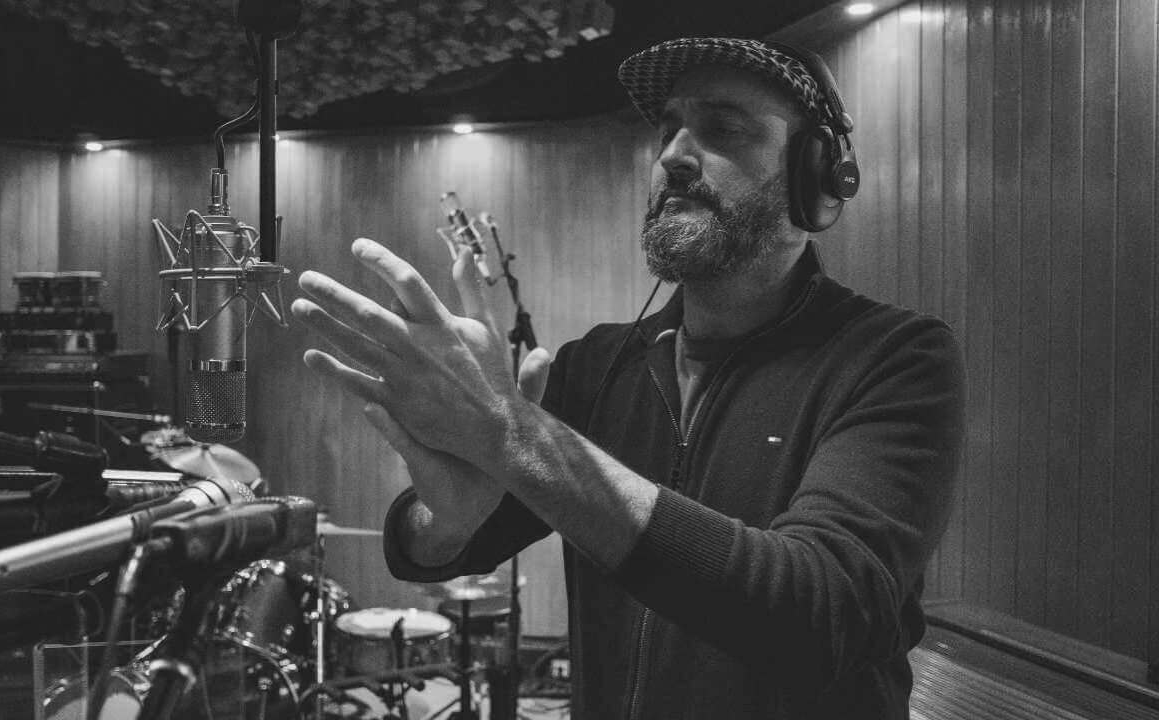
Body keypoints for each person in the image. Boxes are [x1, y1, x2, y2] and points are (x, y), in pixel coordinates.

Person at [291, 37, 964, 719]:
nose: (672, 156)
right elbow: (434, 543)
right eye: (667, 127)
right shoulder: (597, 366)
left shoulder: (893, 359)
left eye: (723, 127)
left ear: (817, 177)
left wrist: (518, 440)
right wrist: (446, 520)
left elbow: (824, 610)